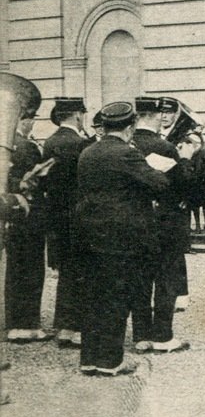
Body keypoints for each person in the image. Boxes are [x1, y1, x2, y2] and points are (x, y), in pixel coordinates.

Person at [77, 102, 171, 376]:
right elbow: (159, 185)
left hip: (89, 234)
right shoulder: (127, 154)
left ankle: (90, 359)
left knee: (93, 297)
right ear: (130, 127)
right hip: (121, 238)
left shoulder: (88, 152)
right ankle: (110, 361)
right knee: (117, 297)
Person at [130, 97, 197, 353]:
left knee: (141, 280)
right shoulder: (165, 147)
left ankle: (141, 335)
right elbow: (182, 186)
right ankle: (162, 336)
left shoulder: (129, 145)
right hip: (165, 222)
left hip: (138, 221)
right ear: (156, 116)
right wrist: (186, 160)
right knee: (166, 280)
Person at [42, 97, 91, 348]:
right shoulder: (79, 143)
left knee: (66, 272)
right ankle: (74, 329)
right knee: (80, 272)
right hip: (77, 216)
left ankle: (62, 325)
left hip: (57, 217)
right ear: (77, 115)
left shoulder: (49, 142)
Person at [5, 104, 49, 343]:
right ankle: (27, 324)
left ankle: (14, 321)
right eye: (31, 119)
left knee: (15, 268)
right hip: (30, 214)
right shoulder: (27, 147)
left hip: (13, 214)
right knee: (31, 269)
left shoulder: (8, 145)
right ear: (24, 120)